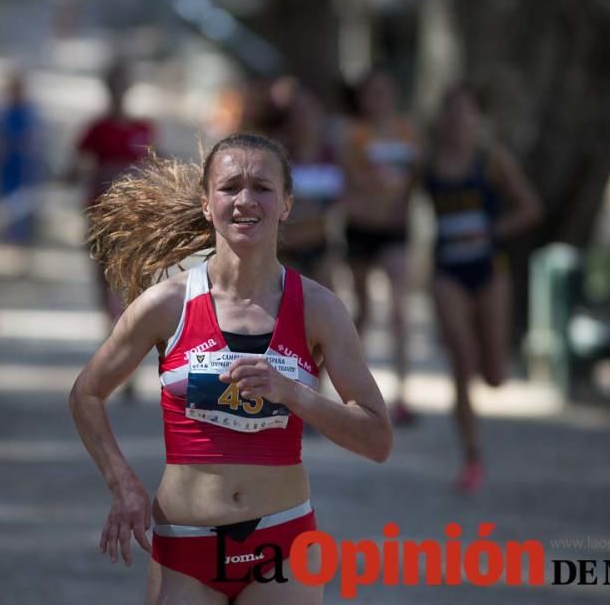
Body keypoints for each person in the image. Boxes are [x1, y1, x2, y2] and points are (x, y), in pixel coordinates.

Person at [69, 132, 393, 604]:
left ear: (286, 204)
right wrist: (124, 484)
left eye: (262, 187)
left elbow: (378, 439)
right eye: (230, 187)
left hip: (283, 543)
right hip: (185, 546)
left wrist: (296, 394)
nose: (245, 200)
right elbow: (86, 394)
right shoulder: (167, 304)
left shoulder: (318, 309)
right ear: (206, 203)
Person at [421, 85, 542, 493]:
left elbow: (530, 208)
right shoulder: (429, 165)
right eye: (451, 113)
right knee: (461, 356)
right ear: (442, 121)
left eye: (465, 113)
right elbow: (394, 206)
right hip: (447, 272)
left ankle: (488, 370)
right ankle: (471, 458)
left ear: (477, 120)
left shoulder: (493, 161)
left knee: (493, 374)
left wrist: (491, 230)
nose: (457, 122)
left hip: (490, 269)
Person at [72, 60, 157, 398]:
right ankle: (117, 355)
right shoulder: (95, 130)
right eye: (114, 81)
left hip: (135, 223)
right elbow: (75, 168)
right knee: (106, 290)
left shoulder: (144, 128)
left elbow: (155, 170)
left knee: (130, 292)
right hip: (101, 220)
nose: (119, 88)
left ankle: (126, 365)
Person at [342, 69, 419, 424]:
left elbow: (412, 180)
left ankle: (402, 393)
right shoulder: (352, 134)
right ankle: (355, 392)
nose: (378, 99)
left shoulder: (407, 132)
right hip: (360, 229)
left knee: (399, 309)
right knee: (362, 311)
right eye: (372, 92)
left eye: (384, 91)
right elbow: (351, 181)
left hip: (395, 231)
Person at [277, 83, 343, 288]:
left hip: (322, 248)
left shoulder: (334, 155)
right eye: (297, 113)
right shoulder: (278, 155)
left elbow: (345, 202)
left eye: (308, 112)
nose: (303, 119)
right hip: (285, 249)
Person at [0, 70, 41, 243]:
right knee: (7, 197)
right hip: (9, 164)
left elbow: (32, 139)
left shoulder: (29, 112)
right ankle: (10, 231)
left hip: (23, 164)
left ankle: (25, 231)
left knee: (24, 197)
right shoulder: (5, 112)